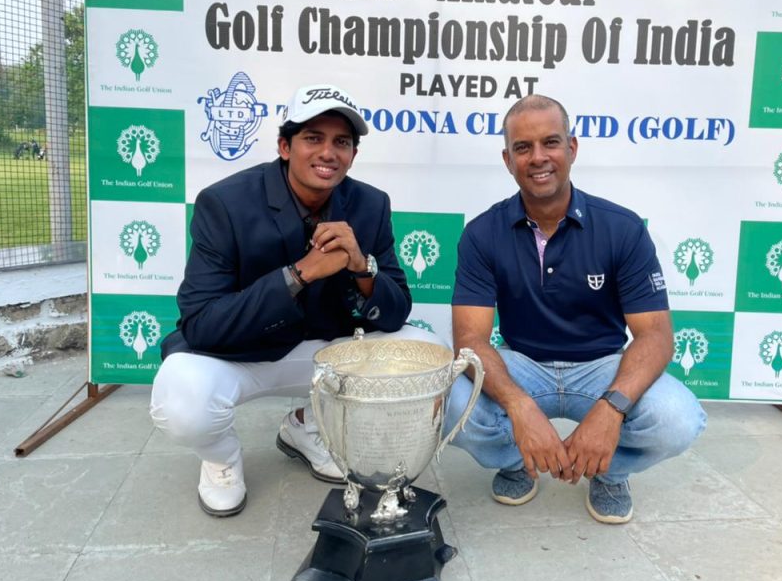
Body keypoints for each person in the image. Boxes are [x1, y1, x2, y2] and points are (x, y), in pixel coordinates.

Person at [150, 82, 433, 517]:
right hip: (238, 355)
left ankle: (308, 427)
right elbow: (201, 322)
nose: (328, 153)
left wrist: (362, 267)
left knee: (420, 349)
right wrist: (297, 276)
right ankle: (221, 458)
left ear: (353, 155)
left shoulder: (370, 204)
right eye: (312, 138)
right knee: (180, 400)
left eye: (341, 142)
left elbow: (396, 313)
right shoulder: (224, 203)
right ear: (285, 146)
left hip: (320, 357)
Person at [445, 94, 706, 524]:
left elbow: (656, 335)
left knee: (677, 419)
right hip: (523, 364)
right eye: (523, 148)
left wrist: (610, 411)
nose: (538, 158)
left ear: (572, 148)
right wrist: (521, 409)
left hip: (602, 366)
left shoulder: (621, 228)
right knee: (453, 404)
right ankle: (519, 461)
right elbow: (470, 341)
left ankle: (606, 469)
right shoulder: (482, 233)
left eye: (550, 142)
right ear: (507, 159)